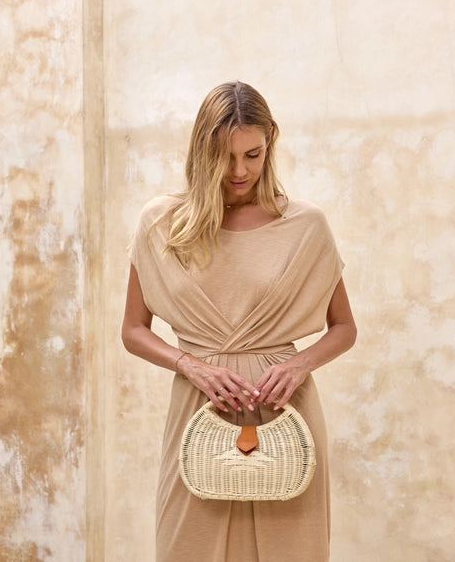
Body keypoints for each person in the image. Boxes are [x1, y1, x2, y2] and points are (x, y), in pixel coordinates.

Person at [121, 81, 356, 562]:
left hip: (286, 413)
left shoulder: (305, 225)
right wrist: (190, 365)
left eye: (253, 154)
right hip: (198, 411)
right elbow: (133, 331)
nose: (239, 171)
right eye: (224, 157)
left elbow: (344, 328)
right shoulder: (162, 223)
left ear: (270, 141)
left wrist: (299, 365)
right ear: (201, 149)